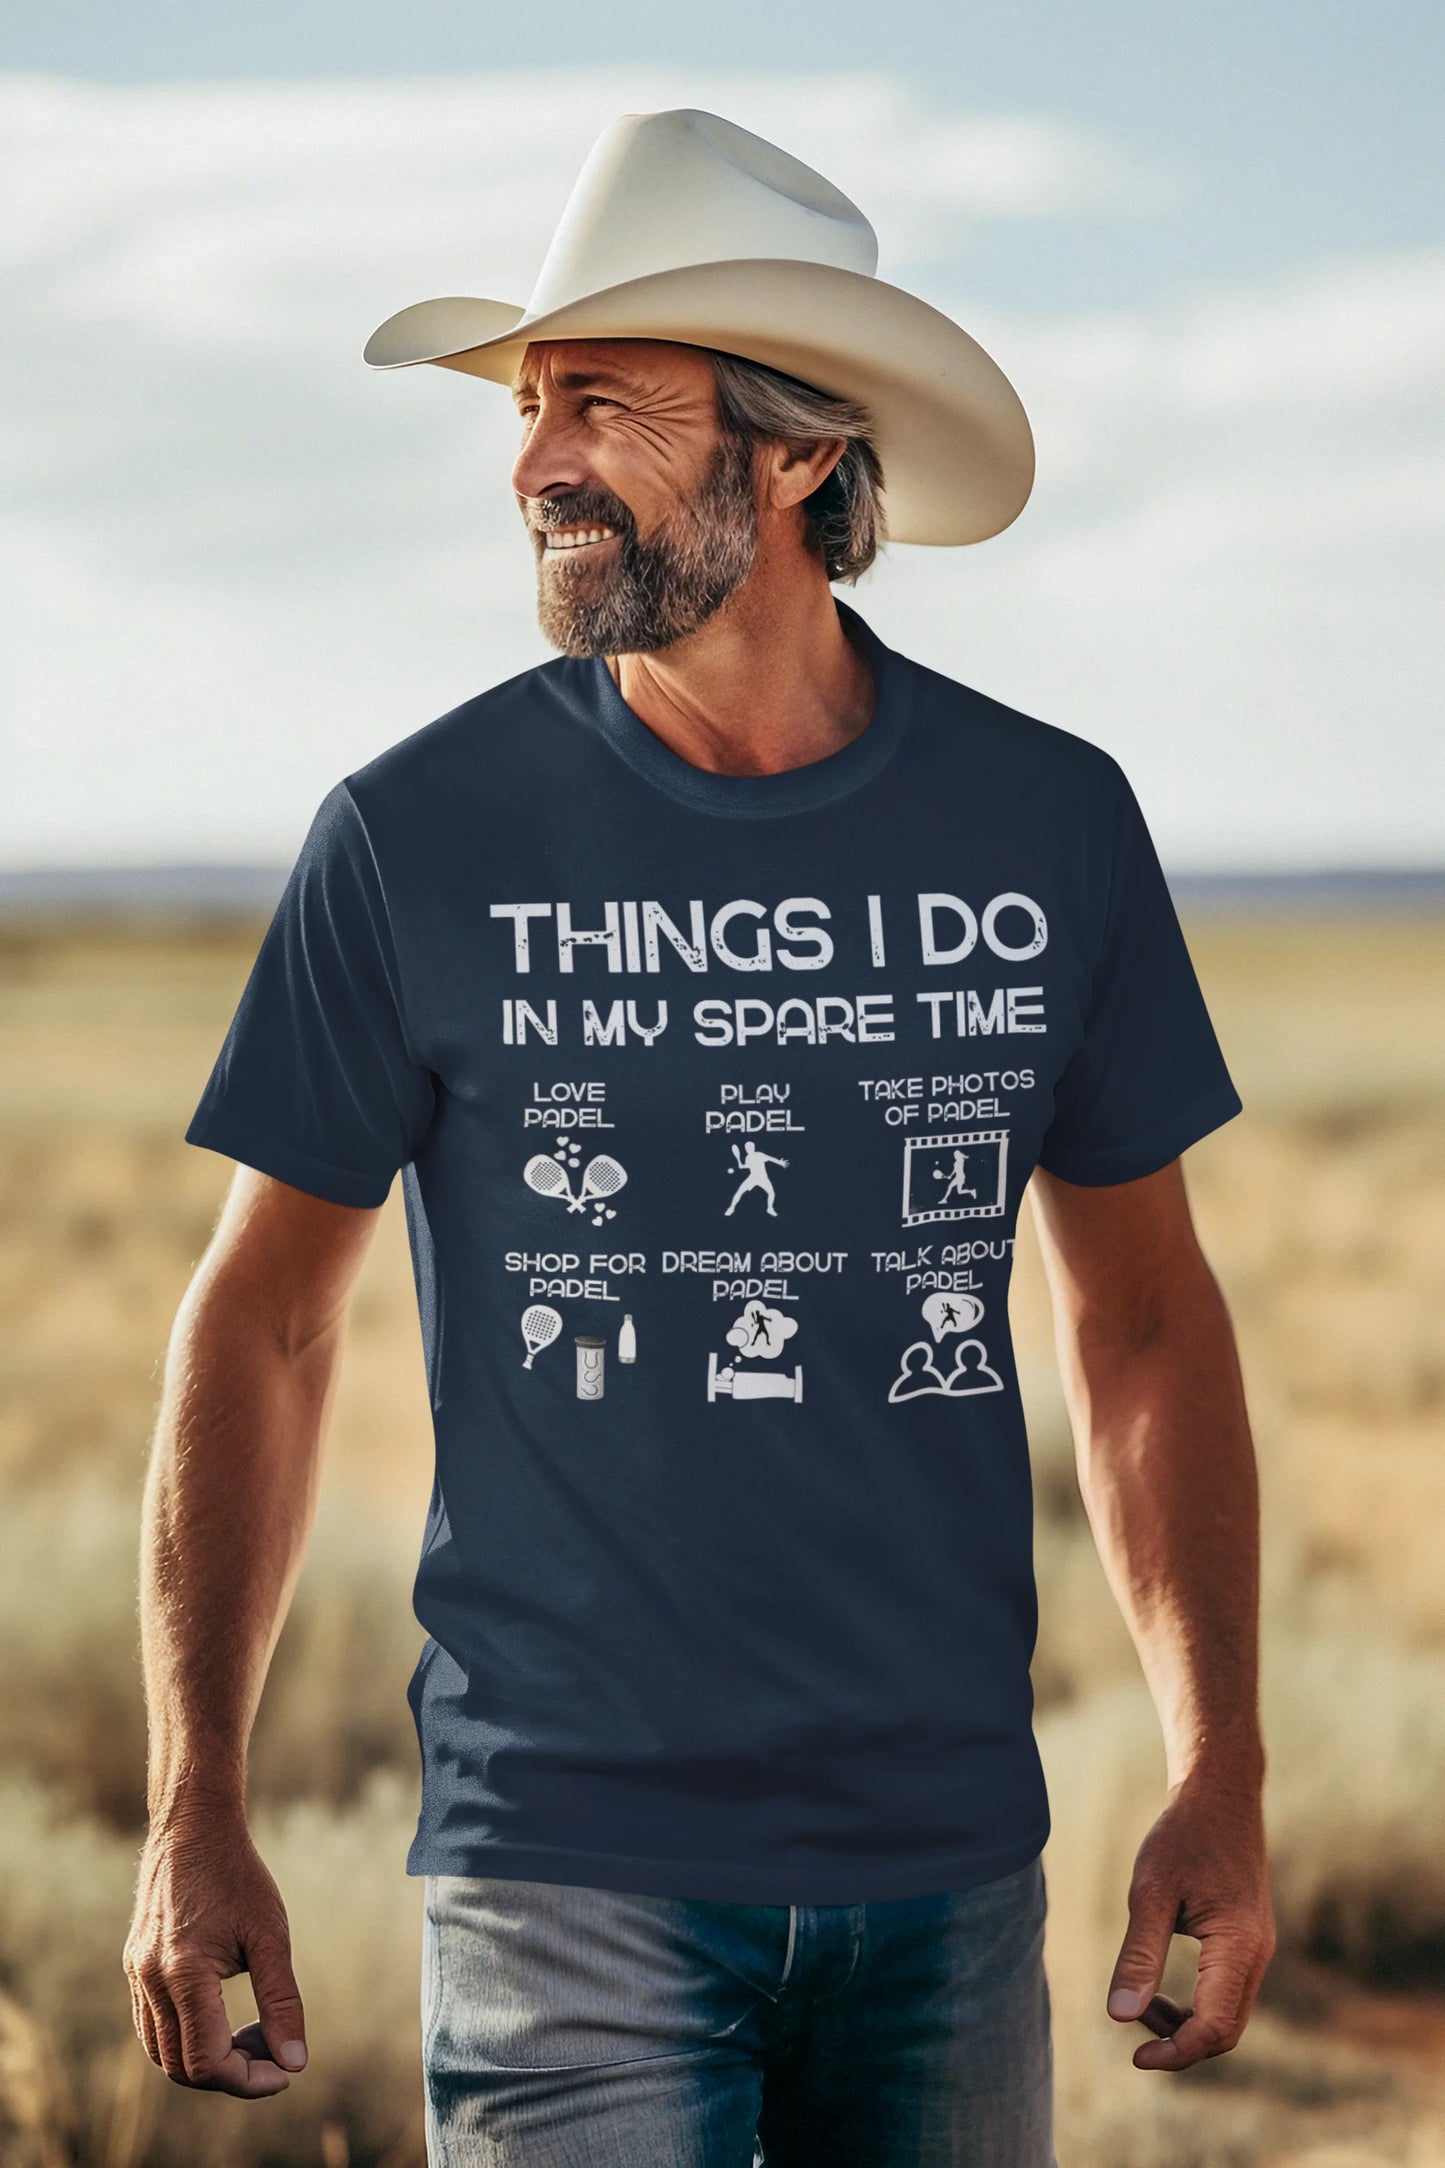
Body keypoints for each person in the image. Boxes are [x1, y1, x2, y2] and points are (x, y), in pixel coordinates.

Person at [123, 107, 1275, 2166]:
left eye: (601, 403)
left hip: (947, 1871)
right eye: (529, 401)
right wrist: (192, 1792)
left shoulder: (1048, 826)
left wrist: (1223, 1760)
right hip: (566, 1870)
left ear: (801, 446)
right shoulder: (416, 837)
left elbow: (1149, 1323)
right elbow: (262, 1326)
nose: (532, 460)